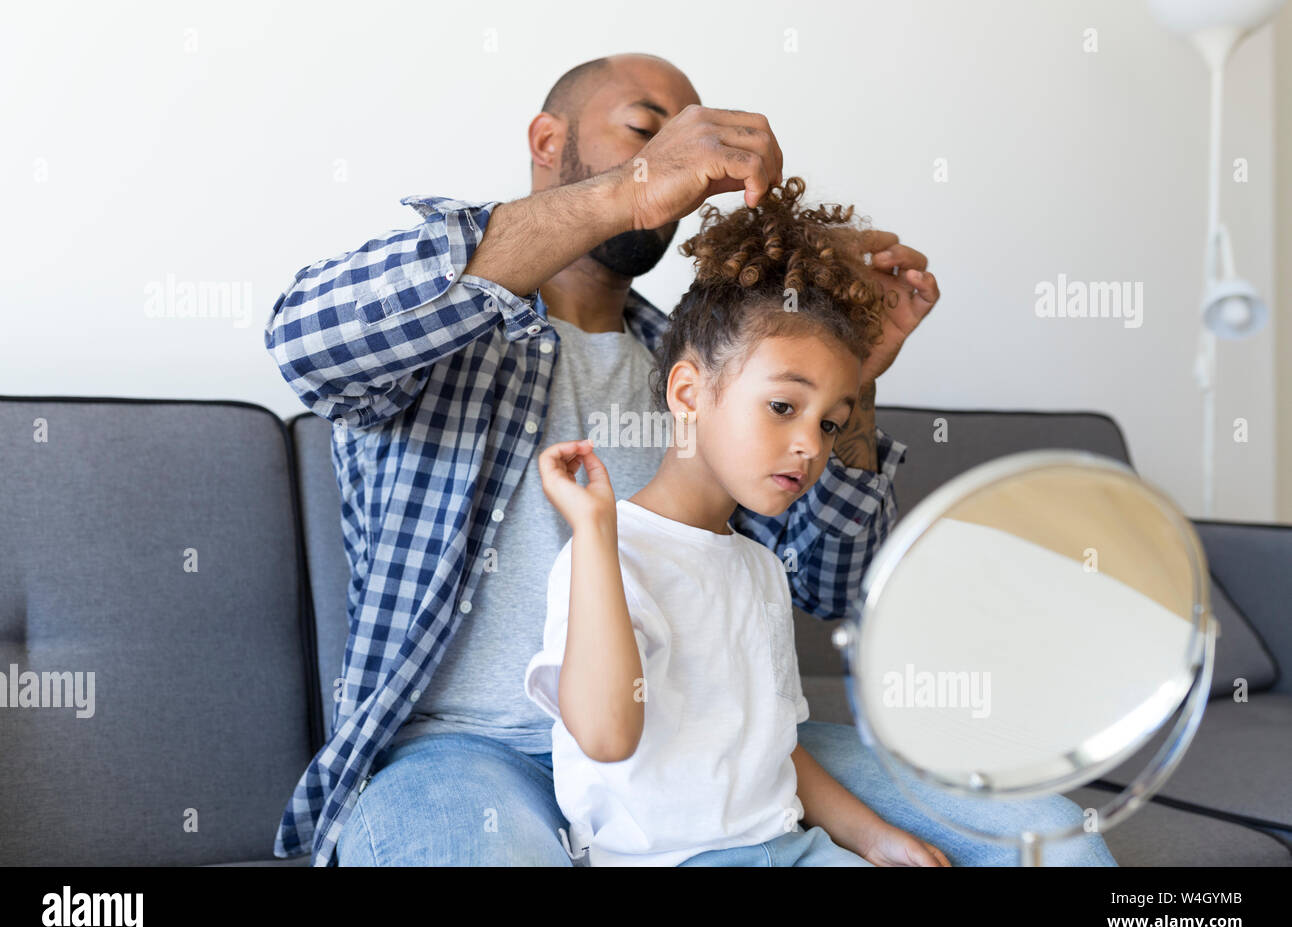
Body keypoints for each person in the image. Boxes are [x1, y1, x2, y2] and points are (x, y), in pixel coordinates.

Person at [264, 51, 1104, 866]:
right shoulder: (443, 341)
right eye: (647, 130)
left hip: (704, 735)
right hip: (464, 752)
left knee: (1052, 837)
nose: (685, 163)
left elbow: (828, 584)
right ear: (548, 141)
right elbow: (305, 337)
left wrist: (854, 378)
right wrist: (625, 192)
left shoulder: (705, 372)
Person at [525, 177, 1116, 867]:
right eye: (783, 407)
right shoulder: (611, 556)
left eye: (831, 422)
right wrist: (595, 536)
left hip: (789, 847)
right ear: (689, 392)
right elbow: (604, 735)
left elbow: (772, 749)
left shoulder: (758, 567)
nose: (812, 444)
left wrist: (876, 837)